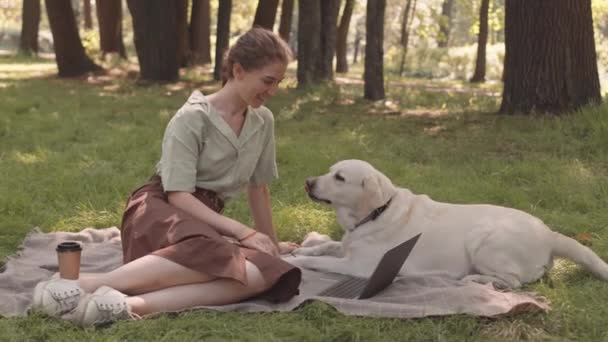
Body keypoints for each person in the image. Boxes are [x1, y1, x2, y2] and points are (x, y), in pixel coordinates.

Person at [31, 28, 302, 326]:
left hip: (204, 224)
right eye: (267, 81)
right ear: (238, 71)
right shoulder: (193, 117)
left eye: (278, 82)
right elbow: (178, 195)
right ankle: (82, 285)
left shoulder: (263, 120)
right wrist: (243, 233)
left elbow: (258, 187)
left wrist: (270, 245)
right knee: (222, 255)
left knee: (266, 273)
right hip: (162, 211)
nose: (273, 91)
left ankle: (124, 306)